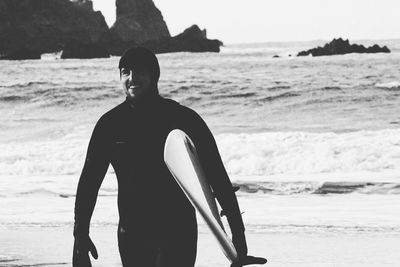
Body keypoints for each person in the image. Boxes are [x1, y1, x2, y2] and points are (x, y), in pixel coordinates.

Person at [73, 47, 267, 267]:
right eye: (125, 72)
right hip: (132, 232)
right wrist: (80, 236)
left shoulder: (184, 119)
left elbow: (217, 177)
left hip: (177, 231)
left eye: (139, 71)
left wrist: (238, 238)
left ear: (154, 75)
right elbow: (89, 182)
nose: (132, 78)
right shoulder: (110, 125)